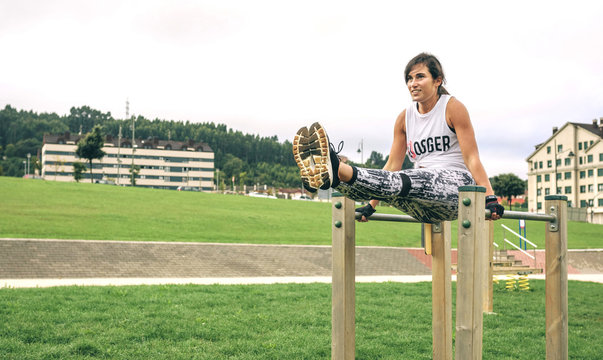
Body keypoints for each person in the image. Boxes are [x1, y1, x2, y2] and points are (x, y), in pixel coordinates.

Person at [292, 52, 504, 223]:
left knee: (409, 180)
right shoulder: (404, 118)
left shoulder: (452, 108)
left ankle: (338, 167)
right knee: (395, 185)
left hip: (456, 191)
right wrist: (372, 205)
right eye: (409, 79)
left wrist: (490, 196)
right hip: (422, 206)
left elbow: (472, 158)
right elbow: (392, 165)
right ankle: (333, 177)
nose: (413, 83)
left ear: (437, 80)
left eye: (420, 77)